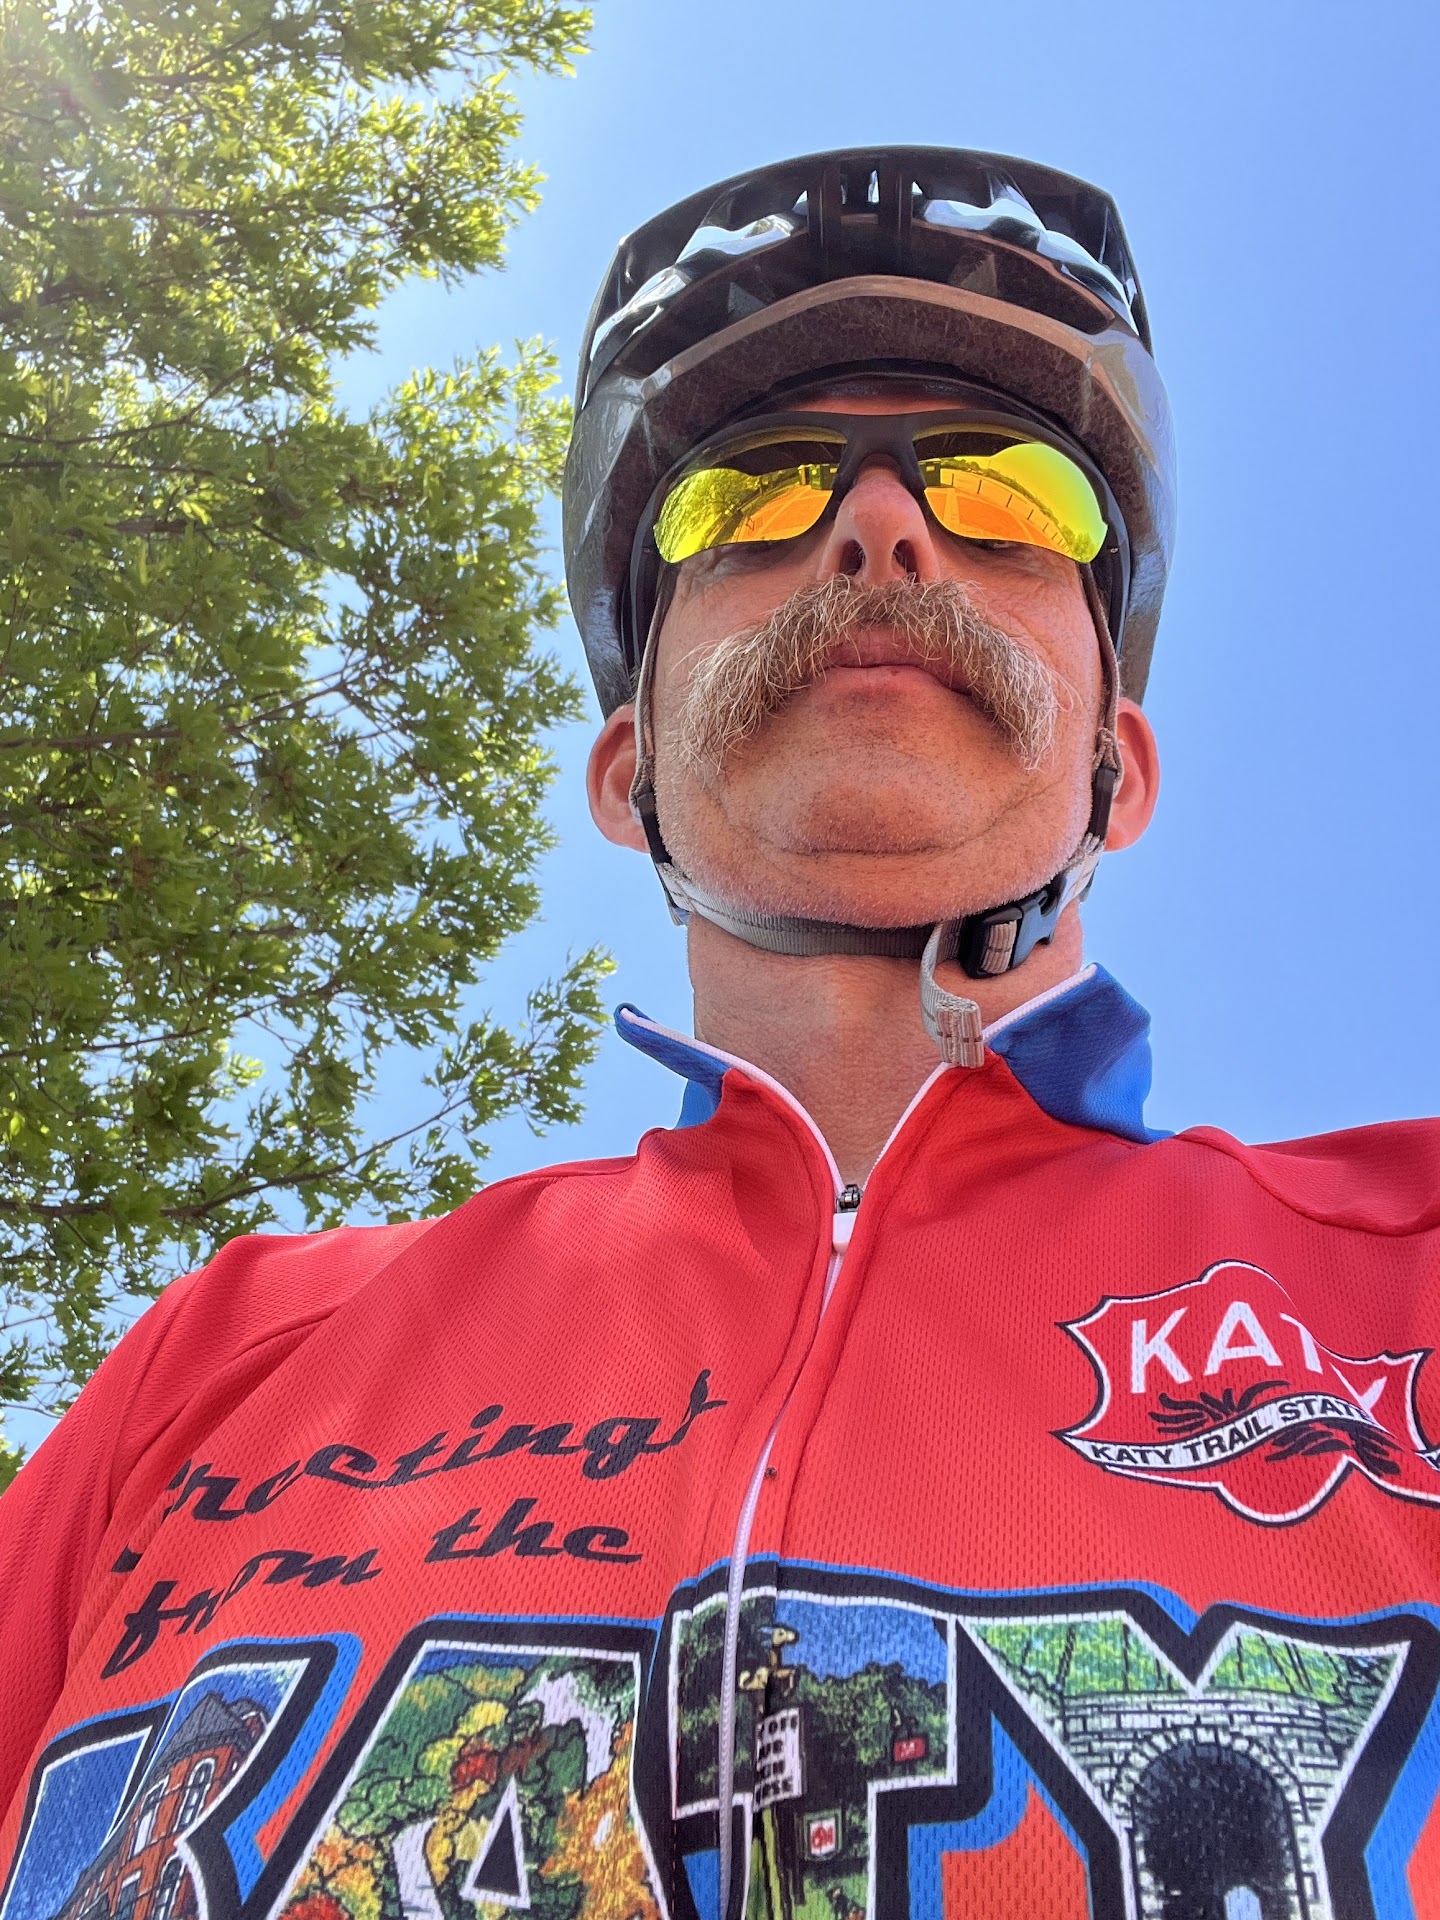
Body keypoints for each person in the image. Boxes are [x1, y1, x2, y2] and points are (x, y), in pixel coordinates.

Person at [0, 146, 1436, 1920]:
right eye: (745, 496)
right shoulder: (225, 1357)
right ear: (631, 774)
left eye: (1010, 490)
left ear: (1117, 767)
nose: (880, 528)